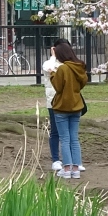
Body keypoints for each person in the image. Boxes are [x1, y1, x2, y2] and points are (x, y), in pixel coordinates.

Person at [49, 42, 88, 179]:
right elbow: (82, 83)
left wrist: (52, 74)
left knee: (65, 139)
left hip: (62, 108)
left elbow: (58, 87)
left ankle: (66, 169)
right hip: (76, 106)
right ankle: (76, 169)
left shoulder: (63, 69)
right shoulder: (79, 67)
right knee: (74, 138)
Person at [43, 38, 69, 173]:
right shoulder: (48, 63)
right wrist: (53, 56)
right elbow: (50, 69)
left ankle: (70, 160)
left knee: (69, 131)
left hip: (68, 101)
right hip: (53, 101)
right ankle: (55, 159)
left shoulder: (69, 63)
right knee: (55, 131)